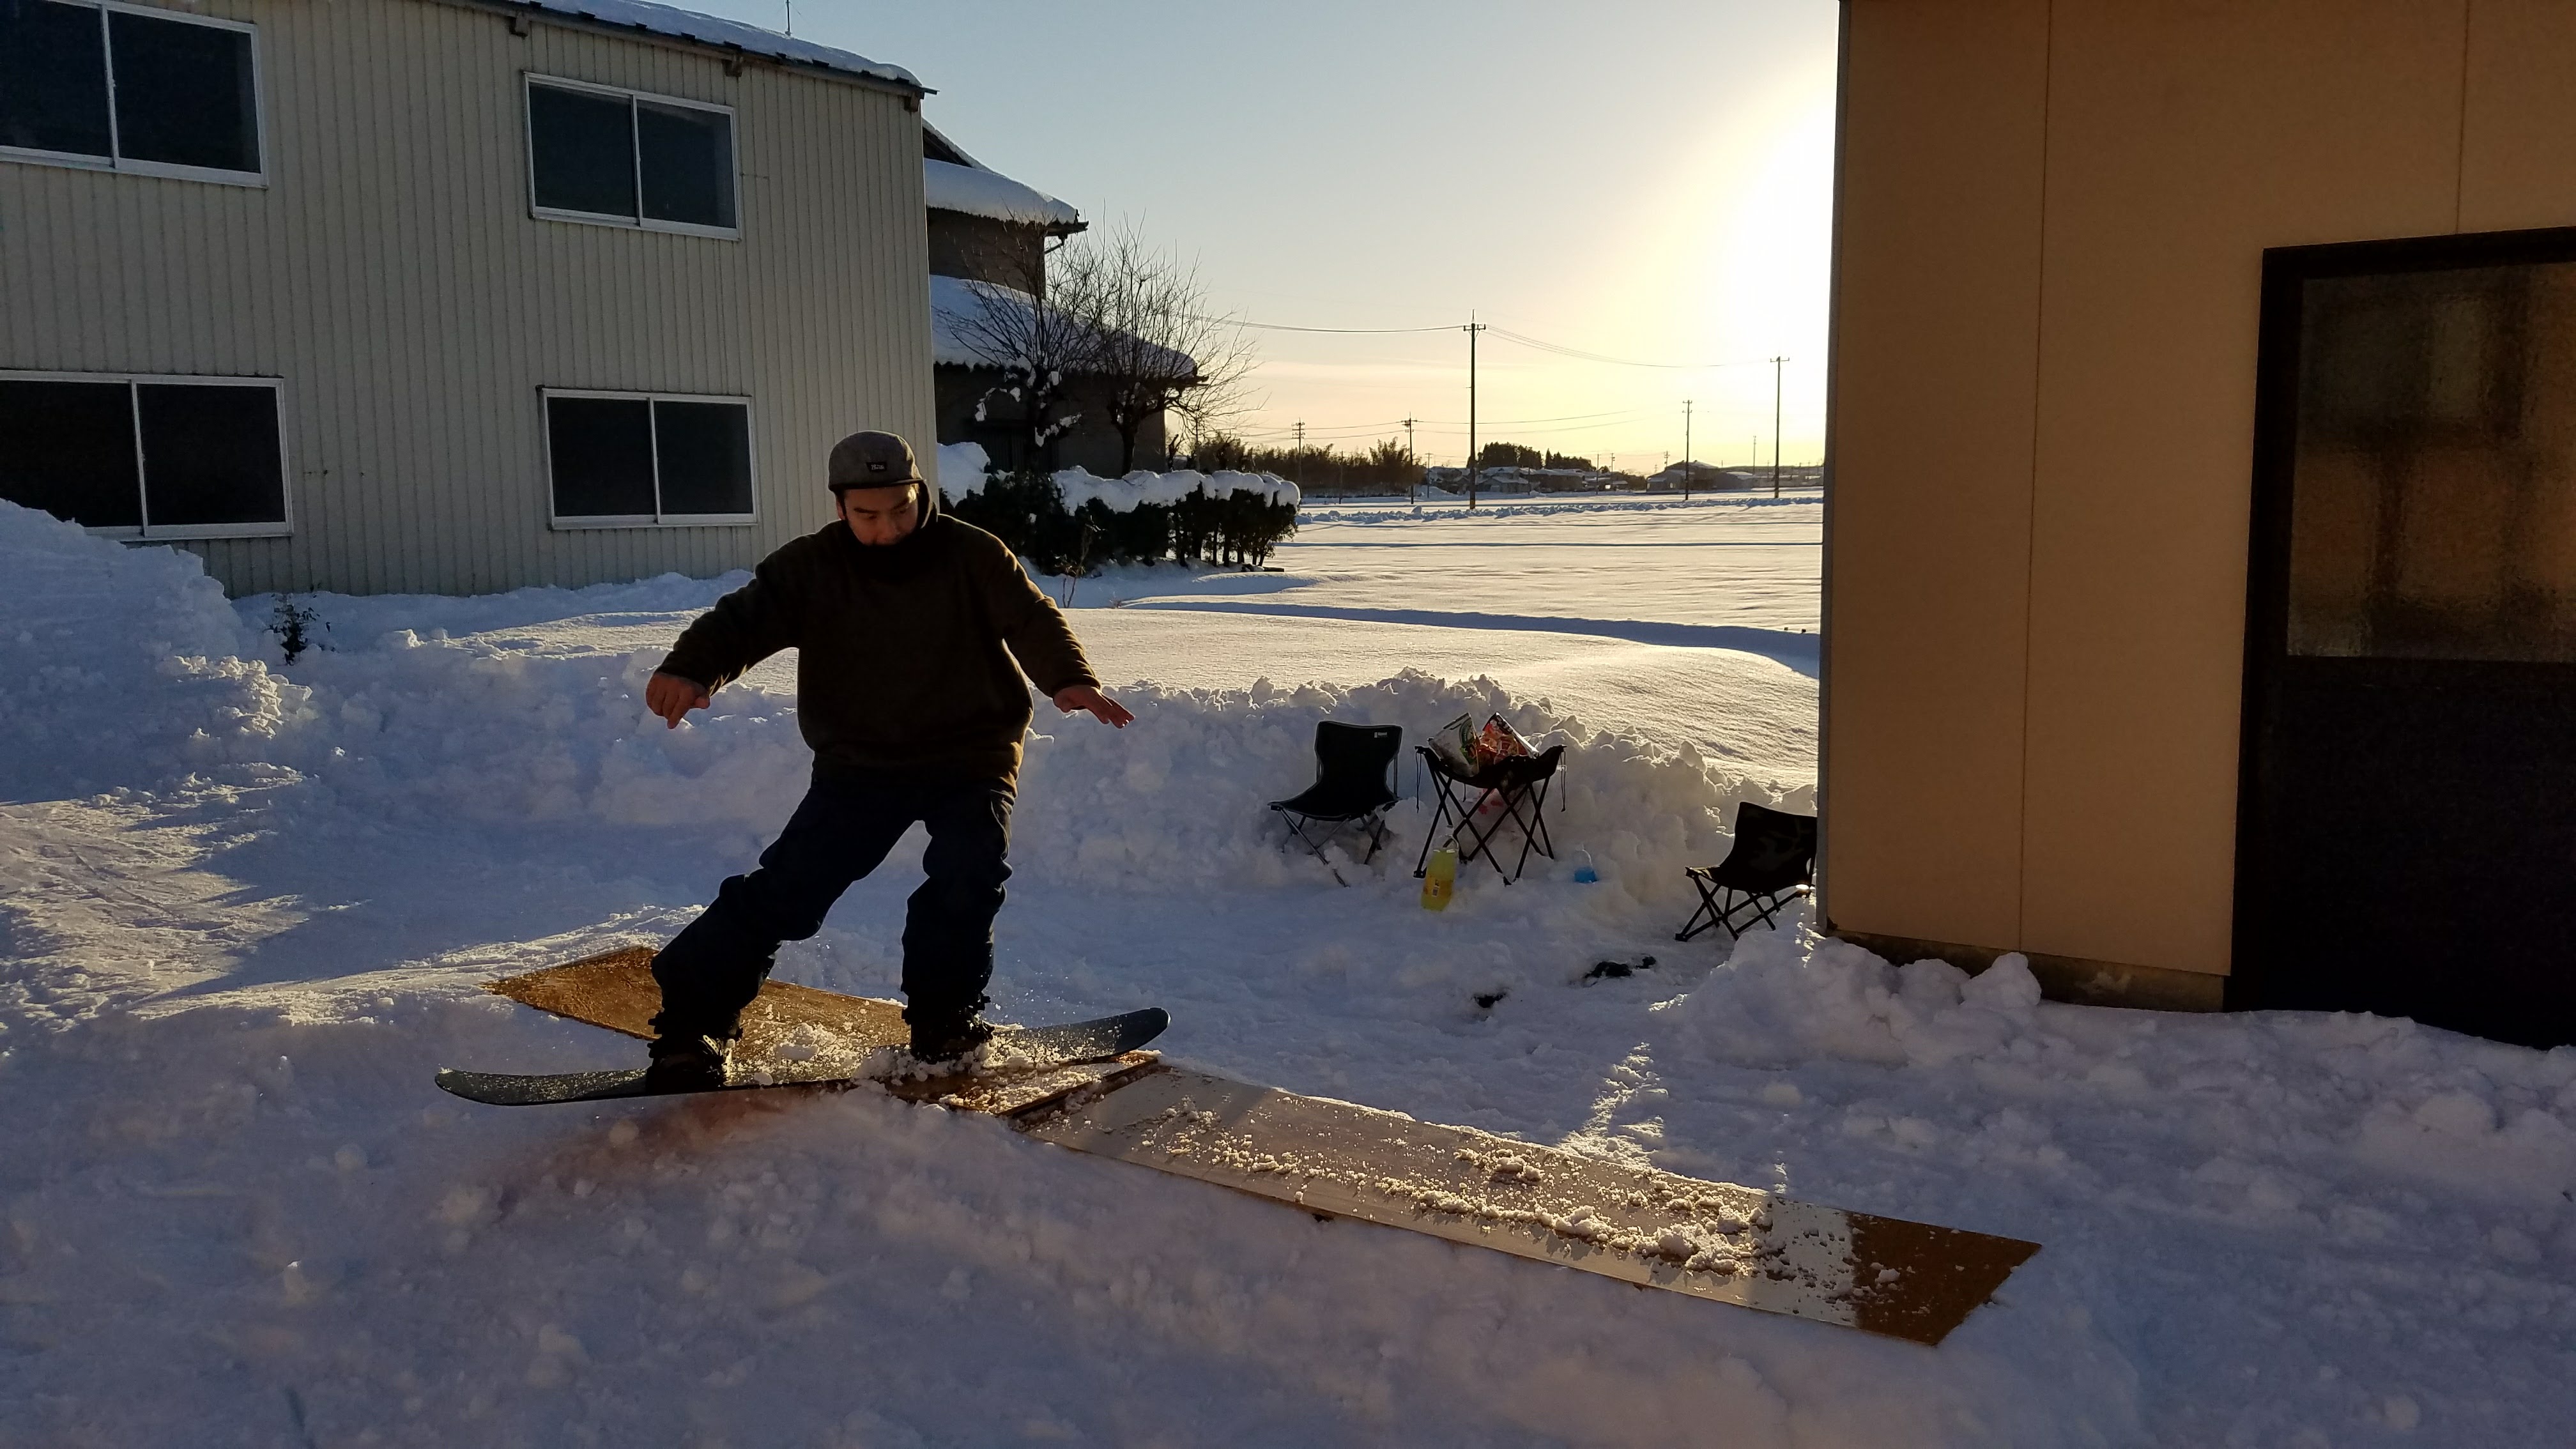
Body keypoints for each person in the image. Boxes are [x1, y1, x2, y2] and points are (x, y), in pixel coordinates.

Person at [639, 430, 1132, 1087]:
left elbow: (1032, 617)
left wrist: (1069, 677)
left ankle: (946, 1022)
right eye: (867, 514)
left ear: (919, 493)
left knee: (969, 873)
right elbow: (742, 621)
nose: (887, 527)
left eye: (901, 508)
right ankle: (690, 1024)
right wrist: (692, 668)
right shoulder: (812, 567)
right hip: (861, 763)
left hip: (971, 753)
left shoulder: (970, 553)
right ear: (841, 506)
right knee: (791, 889)